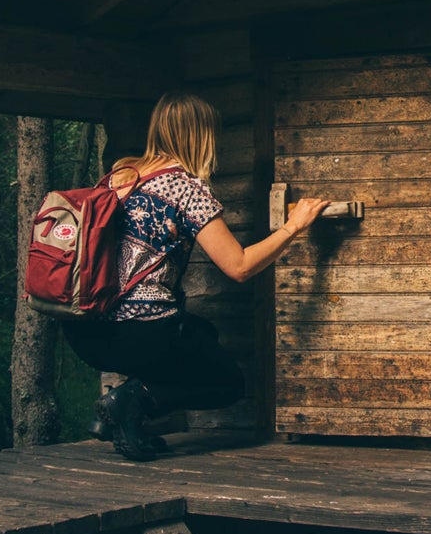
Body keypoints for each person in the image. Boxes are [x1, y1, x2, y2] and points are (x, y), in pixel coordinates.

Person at [61, 90, 330, 460]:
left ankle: (120, 417)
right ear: (202, 136)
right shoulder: (186, 188)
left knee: (203, 335)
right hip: (136, 333)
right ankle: (130, 401)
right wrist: (292, 228)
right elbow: (239, 267)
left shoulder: (118, 173)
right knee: (228, 382)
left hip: (84, 329)